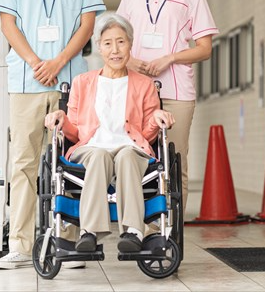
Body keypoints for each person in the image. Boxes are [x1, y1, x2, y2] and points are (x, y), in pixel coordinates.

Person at [0, 0, 106, 269]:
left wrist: (57, 61)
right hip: (26, 80)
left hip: (69, 82)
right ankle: (21, 245)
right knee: (22, 162)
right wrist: (36, 61)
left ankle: (69, 242)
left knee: (69, 163)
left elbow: (88, 23)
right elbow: (8, 23)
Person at [44, 14, 175, 253]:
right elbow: (74, 132)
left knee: (126, 155)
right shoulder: (82, 83)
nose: (115, 50)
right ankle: (89, 232)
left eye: (121, 42)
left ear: (130, 45)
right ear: (100, 48)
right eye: (107, 43)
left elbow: (147, 135)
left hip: (131, 148)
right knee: (99, 156)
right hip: (91, 147)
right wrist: (62, 119)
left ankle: (133, 232)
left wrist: (156, 119)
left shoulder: (144, 84)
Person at [116, 0, 218, 214]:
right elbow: (116, 39)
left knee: (174, 161)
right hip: (135, 89)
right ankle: (143, 227)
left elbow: (204, 49)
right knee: (134, 157)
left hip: (176, 92)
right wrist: (130, 60)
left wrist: (170, 58)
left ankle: (172, 231)